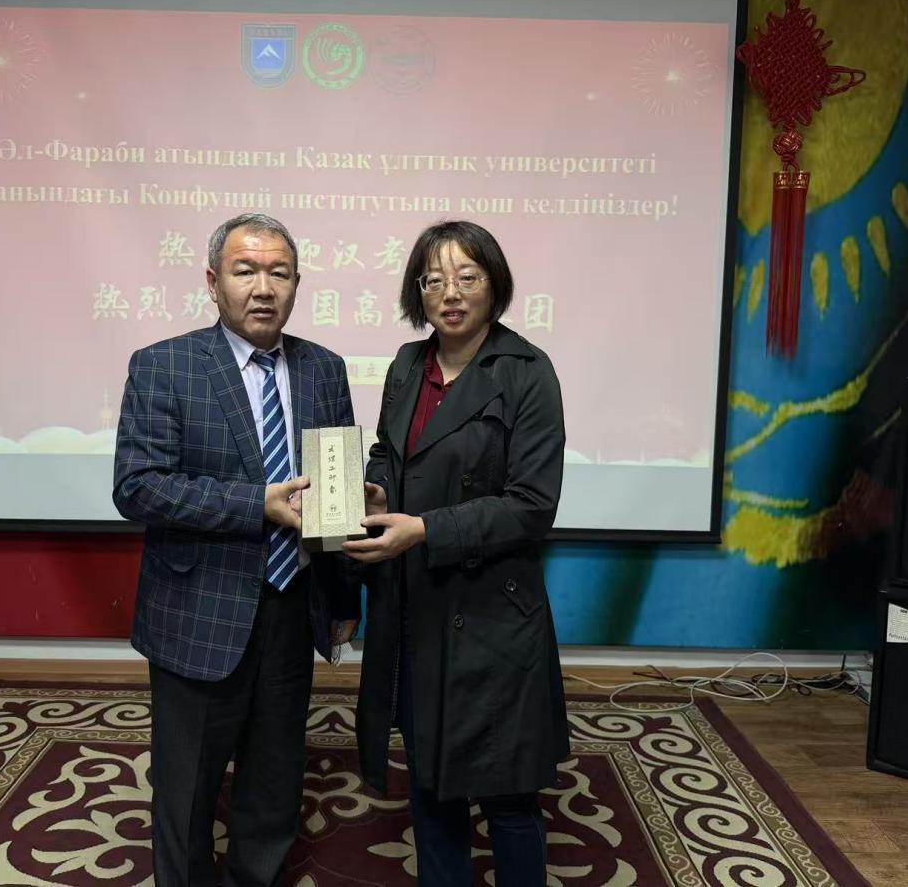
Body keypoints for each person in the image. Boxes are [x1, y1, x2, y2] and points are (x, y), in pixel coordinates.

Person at [114, 212, 360, 887]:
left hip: (292, 604)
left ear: (297, 283)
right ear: (212, 280)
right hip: (199, 610)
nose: (263, 287)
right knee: (187, 789)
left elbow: (333, 497)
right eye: (245, 270)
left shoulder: (324, 369)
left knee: (275, 778)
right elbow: (138, 486)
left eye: (279, 273)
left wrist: (344, 598)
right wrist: (256, 505)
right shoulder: (164, 365)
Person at [342, 220, 569, 887]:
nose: (450, 293)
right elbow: (387, 452)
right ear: (418, 291)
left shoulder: (527, 372)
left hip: (492, 615)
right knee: (430, 782)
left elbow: (532, 505)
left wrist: (425, 530)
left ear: (494, 286)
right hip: (416, 607)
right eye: (434, 279)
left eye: (467, 277)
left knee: (507, 794)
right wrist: (377, 489)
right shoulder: (407, 365)